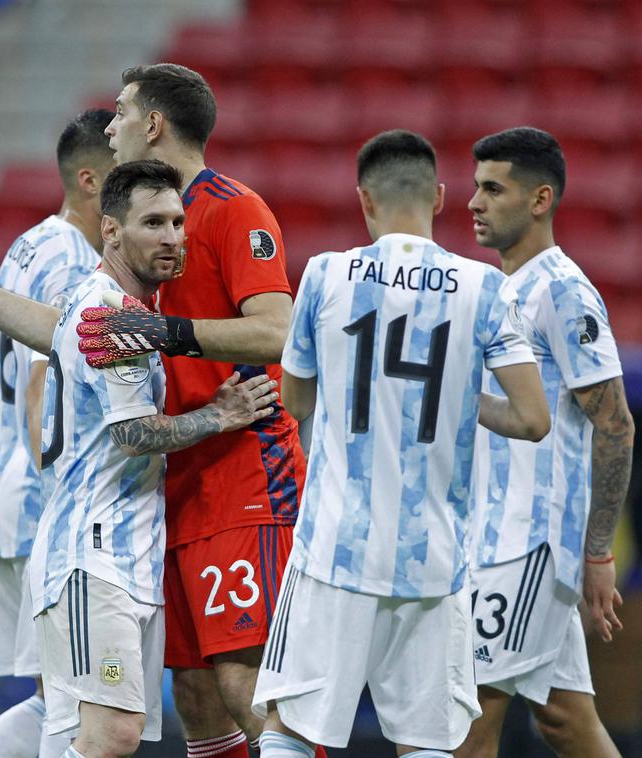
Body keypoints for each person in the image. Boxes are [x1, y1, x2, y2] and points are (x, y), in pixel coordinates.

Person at [0, 63, 309, 758]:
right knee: (178, 700)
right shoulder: (124, 280)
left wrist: (167, 337)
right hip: (143, 501)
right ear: (115, 228)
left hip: (236, 480)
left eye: (123, 113)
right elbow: (70, 333)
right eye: (158, 224)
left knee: (230, 681)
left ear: (154, 125)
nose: (110, 125)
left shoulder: (228, 212)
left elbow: (277, 330)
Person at [249, 129, 552, 757]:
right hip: (433, 556)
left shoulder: (326, 275)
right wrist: (460, 398)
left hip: (335, 546)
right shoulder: (485, 288)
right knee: (426, 744)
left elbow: (295, 402)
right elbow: (532, 419)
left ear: (364, 200)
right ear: (440, 197)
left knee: (291, 728)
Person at [32, 159, 279, 758]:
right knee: (111, 736)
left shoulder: (118, 309)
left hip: (124, 551)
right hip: (95, 553)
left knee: (79, 736)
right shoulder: (109, 313)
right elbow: (133, 433)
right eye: (152, 223)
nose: (171, 237)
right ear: (111, 230)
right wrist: (220, 416)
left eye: (176, 222)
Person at [455, 128, 633, 758]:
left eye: (492, 188)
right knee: (565, 722)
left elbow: (615, 424)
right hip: (497, 539)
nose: (474, 201)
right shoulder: (498, 288)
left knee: (466, 724)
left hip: (525, 547)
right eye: (475, 186)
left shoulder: (563, 290)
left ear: (540, 199)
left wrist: (597, 553)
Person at [0, 107, 114, 758]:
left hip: (6, 495)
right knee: (78, 704)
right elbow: (39, 385)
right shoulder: (68, 259)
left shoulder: (31, 242)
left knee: (57, 697)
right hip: (42, 503)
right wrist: (67, 501)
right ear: (89, 179)